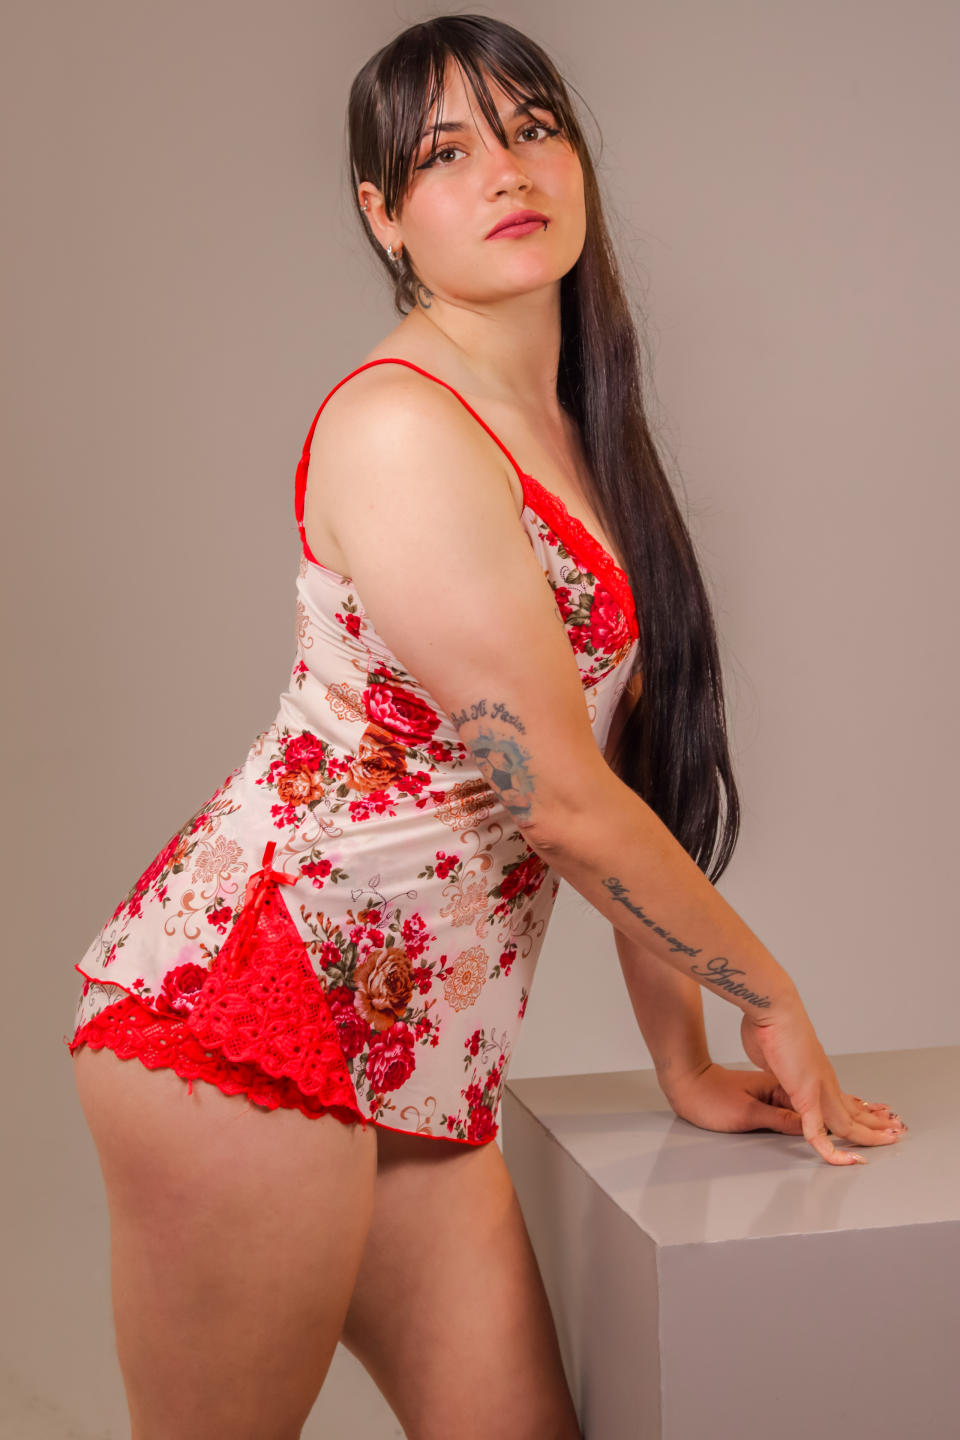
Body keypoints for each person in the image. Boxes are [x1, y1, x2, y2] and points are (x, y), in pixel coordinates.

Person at [67, 14, 908, 1440]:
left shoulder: (572, 432)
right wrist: (766, 993)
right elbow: (559, 801)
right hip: (253, 1016)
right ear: (382, 215)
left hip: (420, 1052)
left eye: (532, 129)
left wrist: (684, 1062)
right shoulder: (402, 426)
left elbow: (619, 774)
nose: (507, 170)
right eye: (445, 153)